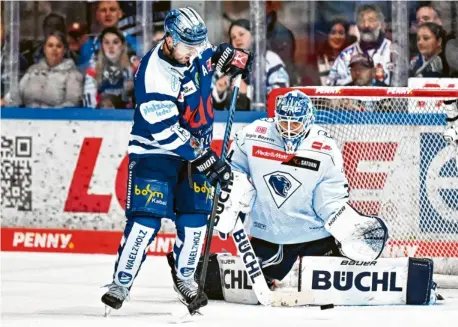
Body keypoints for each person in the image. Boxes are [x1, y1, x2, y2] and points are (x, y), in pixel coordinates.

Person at [190, 90, 438, 306]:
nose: (288, 129)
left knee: (348, 282)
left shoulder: (324, 148)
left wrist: (346, 224)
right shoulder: (253, 135)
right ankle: (188, 268)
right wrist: (233, 195)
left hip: (317, 235)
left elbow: (329, 201)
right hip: (272, 234)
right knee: (237, 288)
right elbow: (234, 170)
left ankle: (417, 280)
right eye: (283, 122)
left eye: (294, 124)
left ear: (308, 121)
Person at [100, 7, 251, 313]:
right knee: (145, 222)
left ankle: (185, 277)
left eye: (199, 45)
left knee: (195, 221)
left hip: (197, 148)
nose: (194, 52)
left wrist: (229, 57)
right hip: (154, 151)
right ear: (169, 39)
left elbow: (210, 58)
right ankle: (122, 281)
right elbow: (166, 132)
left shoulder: (191, 44)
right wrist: (206, 158)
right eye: (188, 47)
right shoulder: (153, 74)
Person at [212, 19, 289, 111]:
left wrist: (248, 91)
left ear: (253, 36)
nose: (237, 39)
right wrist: (219, 91)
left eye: (241, 34)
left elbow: (282, 95)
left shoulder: (270, 58)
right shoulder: (225, 62)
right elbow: (208, 100)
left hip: (263, 120)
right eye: (233, 37)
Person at [7, 31, 83, 108]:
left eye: (59, 46)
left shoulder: (72, 74)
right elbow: (16, 95)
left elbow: (72, 103)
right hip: (26, 117)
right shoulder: (33, 70)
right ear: (44, 49)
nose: (54, 49)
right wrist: (5, 101)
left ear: (64, 50)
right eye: (50, 45)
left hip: (55, 118)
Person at [327, 4, 393, 86]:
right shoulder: (345, 56)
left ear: (381, 24)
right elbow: (330, 87)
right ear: (357, 25)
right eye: (361, 21)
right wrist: (352, 77)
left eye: (371, 20)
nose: (366, 25)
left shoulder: (393, 52)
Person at [78, 1, 137, 71]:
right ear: (97, 15)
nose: (108, 14)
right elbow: (82, 73)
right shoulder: (87, 46)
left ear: (120, 14)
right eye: (103, 10)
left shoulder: (134, 44)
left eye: (112, 10)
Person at [83, 27, 134, 109]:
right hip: (101, 116)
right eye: (106, 42)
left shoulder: (133, 69)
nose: (111, 46)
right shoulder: (93, 70)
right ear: (102, 46)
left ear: (122, 45)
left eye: (115, 42)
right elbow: (89, 99)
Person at [315, 18, 353, 85]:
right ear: (327, 35)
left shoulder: (353, 58)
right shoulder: (317, 58)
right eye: (333, 33)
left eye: (341, 33)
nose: (337, 37)